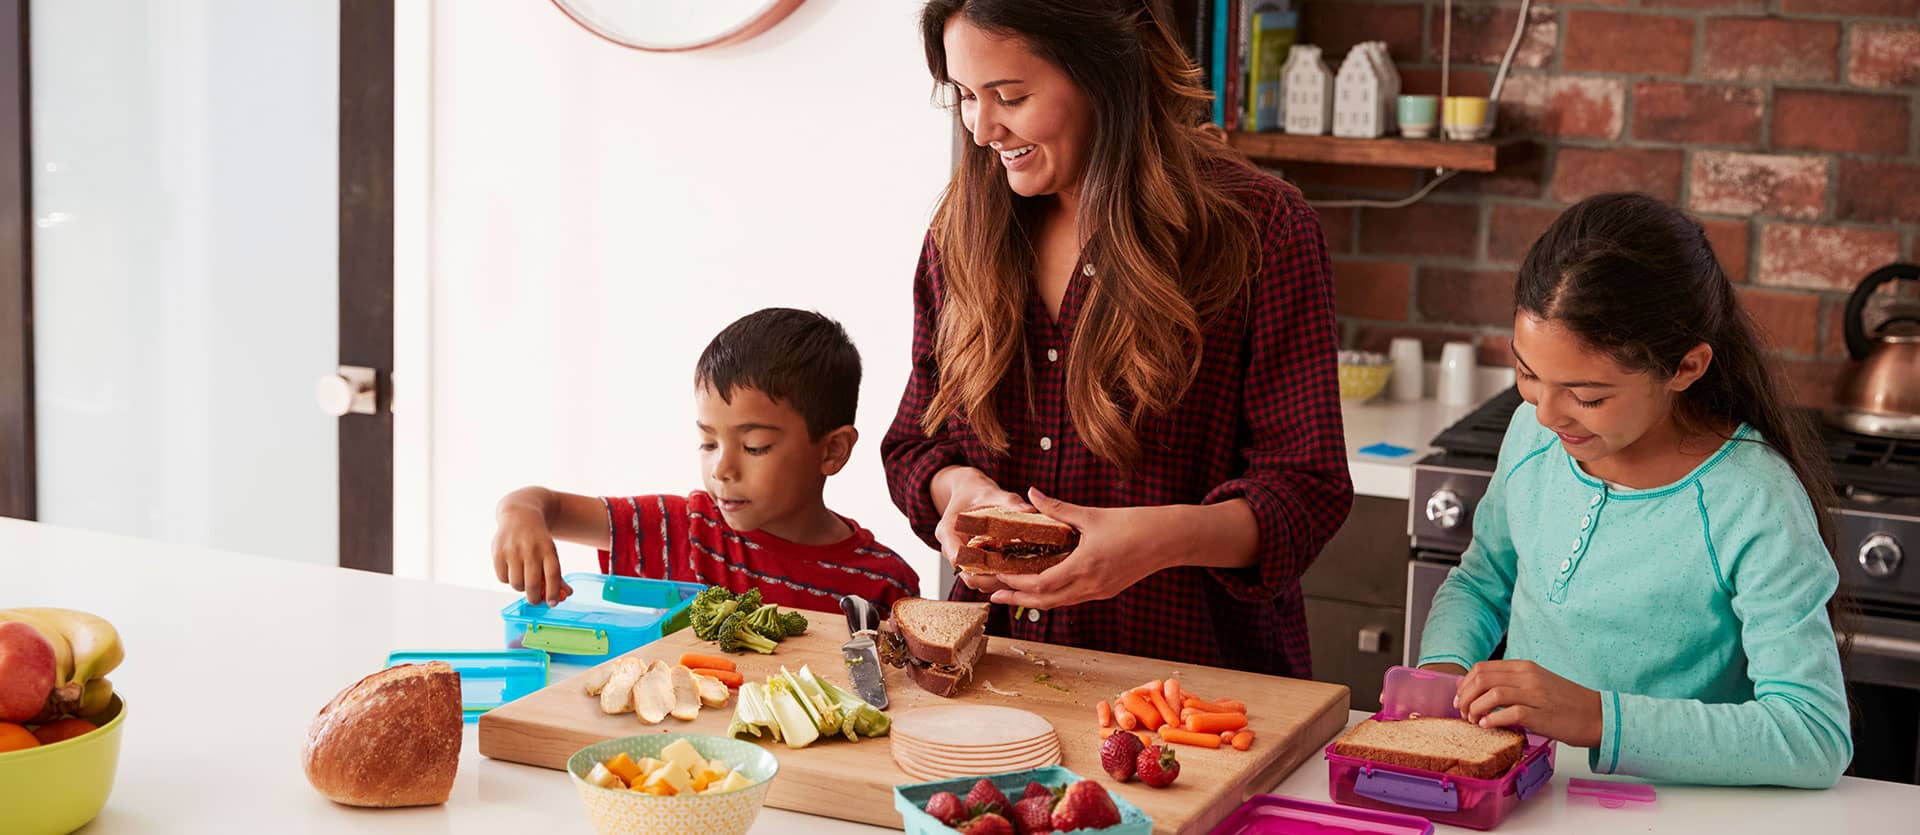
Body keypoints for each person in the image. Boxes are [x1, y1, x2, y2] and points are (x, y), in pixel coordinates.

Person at [880, 0, 1352, 676]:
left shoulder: (1259, 230)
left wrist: (1152, 540)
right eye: (963, 97)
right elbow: (915, 444)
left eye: (1009, 96)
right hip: (999, 673)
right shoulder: (961, 234)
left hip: (1192, 693)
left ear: (1104, 73)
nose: (982, 128)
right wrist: (958, 491)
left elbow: (1306, 490)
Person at [1418, 193, 1853, 787]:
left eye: (1588, 396)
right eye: (1526, 374)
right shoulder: (1534, 435)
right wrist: (1442, 669)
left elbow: (1812, 734)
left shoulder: (1752, 501)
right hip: (1530, 796)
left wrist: (1598, 717)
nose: (1546, 413)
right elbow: (1483, 578)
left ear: (1685, 368)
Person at [492, 307, 919, 614]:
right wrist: (519, 516)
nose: (722, 469)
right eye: (708, 443)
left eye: (754, 447)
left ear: (832, 451)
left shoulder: (884, 586)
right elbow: (546, 505)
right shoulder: (684, 528)